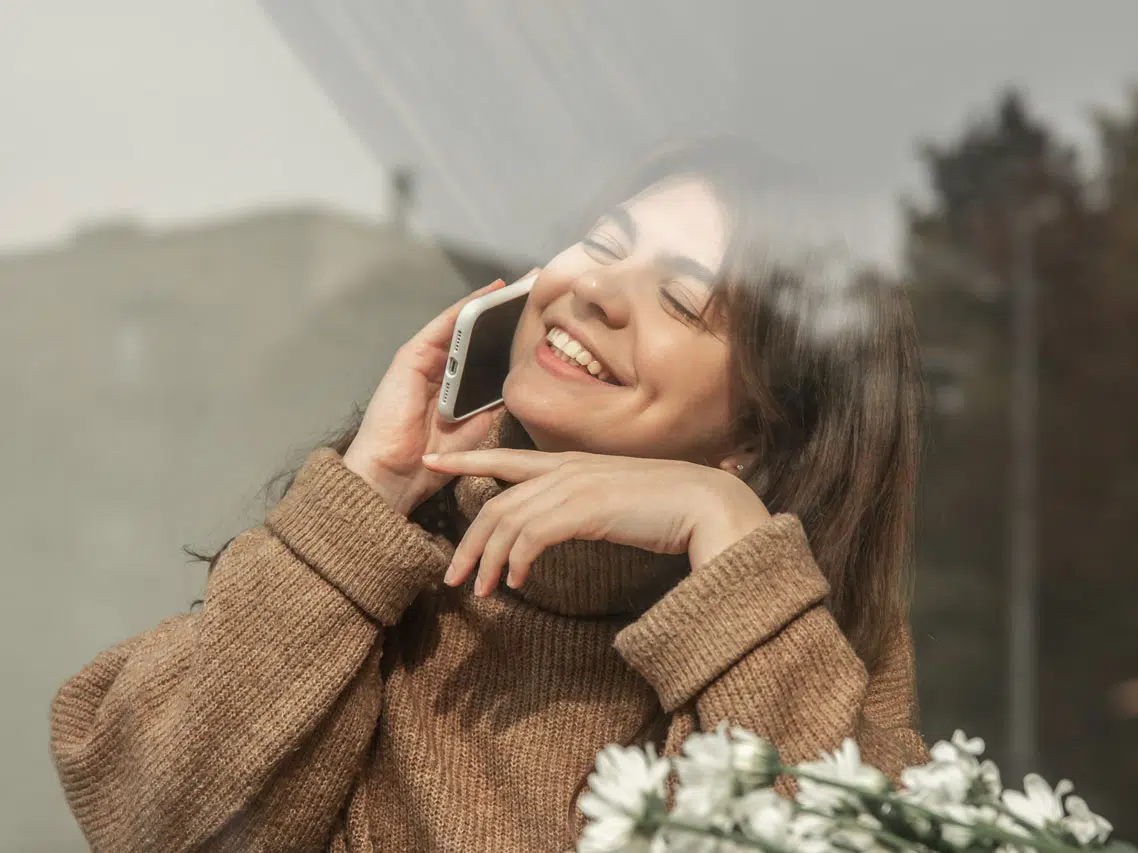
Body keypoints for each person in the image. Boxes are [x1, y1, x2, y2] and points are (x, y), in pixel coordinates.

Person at [50, 140, 928, 852]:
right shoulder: (386, 566)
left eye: (679, 298)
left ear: (758, 433)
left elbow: (851, 832)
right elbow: (145, 822)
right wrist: (367, 496)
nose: (592, 292)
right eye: (603, 245)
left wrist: (729, 543)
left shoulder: (802, 641)